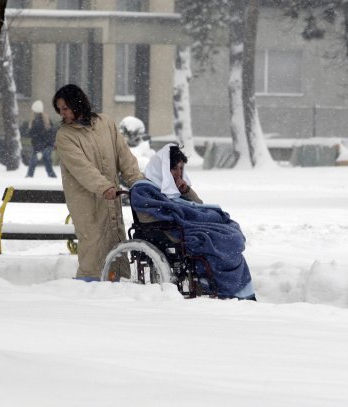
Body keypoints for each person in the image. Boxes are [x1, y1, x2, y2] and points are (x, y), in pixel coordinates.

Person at [132, 143, 256, 300]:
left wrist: (186, 191)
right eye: (174, 169)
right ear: (163, 168)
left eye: (181, 169)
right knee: (222, 240)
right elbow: (153, 216)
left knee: (230, 234)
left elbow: (198, 205)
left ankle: (236, 290)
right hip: (169, 231)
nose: (178, 173)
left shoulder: (172, 186)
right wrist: (179, 215)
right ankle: (218, 286)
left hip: (185, 225)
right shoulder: (144, 188)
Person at [53, 84, 144, 281]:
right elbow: (82, 169)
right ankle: (89, 287)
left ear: (77, 104)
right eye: (60, 109)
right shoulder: (65, 136)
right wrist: (104, 187)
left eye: (65, 108)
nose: (62, 114)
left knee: (116, 240)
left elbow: (124, 156)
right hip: (86, 202)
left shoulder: (106, 124)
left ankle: (119, 282)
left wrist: (138, 182)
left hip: (111, 200)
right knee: (92, 245)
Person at [26, 100, 57, 178]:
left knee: (33, 163)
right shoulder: (46, 119)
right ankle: (52, 177)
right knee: (47, 163)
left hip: (40, 146)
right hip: (47, 146)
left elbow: (35, 136)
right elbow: (50, 134)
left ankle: (29, 177)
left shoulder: (35, 121)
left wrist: (39, 150)